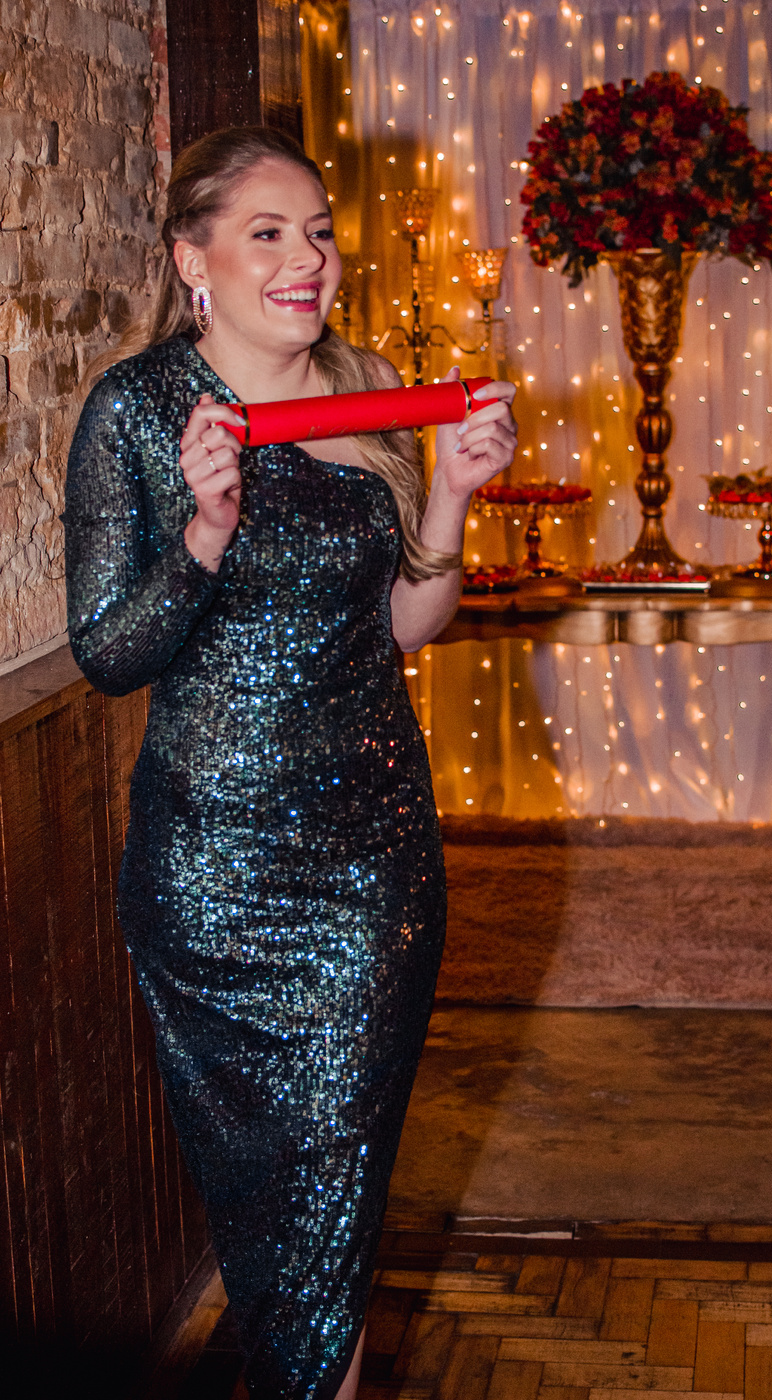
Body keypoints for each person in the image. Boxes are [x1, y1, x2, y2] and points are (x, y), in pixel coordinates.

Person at [65, 126, 517, 1400]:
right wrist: (204, 533)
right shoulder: (137, 409)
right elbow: (107, 655)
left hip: (373, 870)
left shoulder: (368, 387)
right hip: (212, 880)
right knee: (282, 1216)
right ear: (191, 259)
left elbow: (403, 627)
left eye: (317, 231)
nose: (305, 257)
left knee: (339, 1188)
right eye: (267, 232)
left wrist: (451, 499)